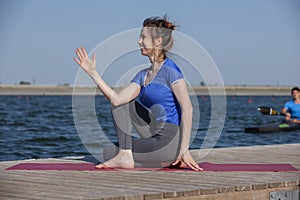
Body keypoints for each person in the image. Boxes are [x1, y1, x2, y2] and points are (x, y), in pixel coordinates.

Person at [74, 16, 202, 171]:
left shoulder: (170, 71)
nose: (139, 41)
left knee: (111, 152)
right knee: (111, 145)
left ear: (158, 41)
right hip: (153, 134)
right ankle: (137, 157)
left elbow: (188, 108)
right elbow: (116, 100)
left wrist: (184, 150)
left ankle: (140, 157)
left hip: (169, 140)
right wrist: (93, 73)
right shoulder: (143, 75)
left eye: (143, 37)